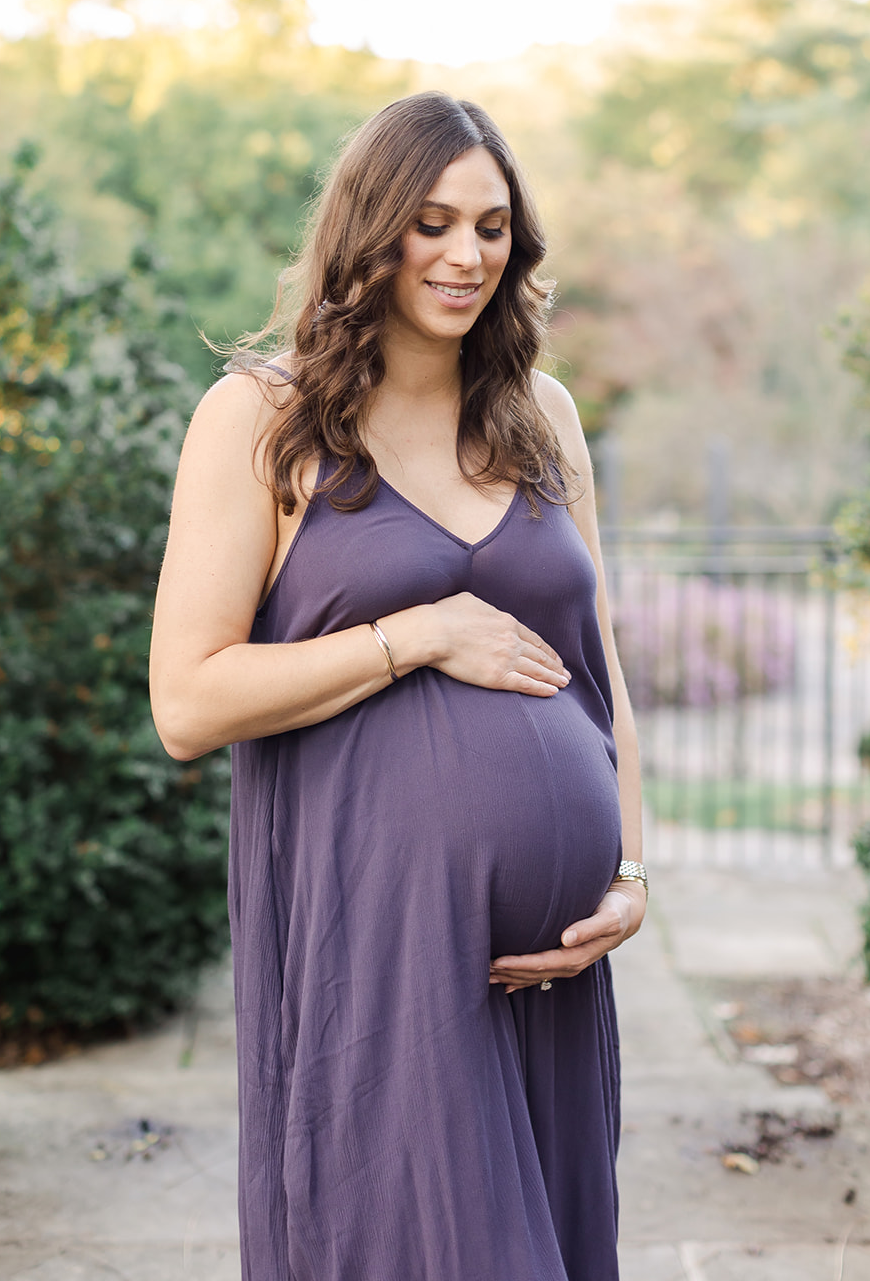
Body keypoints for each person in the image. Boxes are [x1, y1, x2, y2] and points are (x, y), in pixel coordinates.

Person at [149, 92, 645, 1281]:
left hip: (554, 972)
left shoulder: (543, 418)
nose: (465, 255)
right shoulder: (263, 420)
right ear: (369, 232)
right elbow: (188, 701)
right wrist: (413, 635)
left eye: (490, 226)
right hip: (378, 951)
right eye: (430, 223)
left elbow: (603, 680)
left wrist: (629, 873)